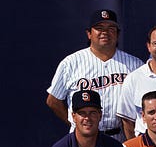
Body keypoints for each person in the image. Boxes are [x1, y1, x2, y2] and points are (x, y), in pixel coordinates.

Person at [46, 8, 142, 139]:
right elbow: (53, 101)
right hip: (83, 139)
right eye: (99, 28)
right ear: (89, 33)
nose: (105, 32)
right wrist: (76, 124)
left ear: (118, 34)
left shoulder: (135, 65)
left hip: (120, 137)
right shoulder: (71, 63)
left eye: (111, 28)